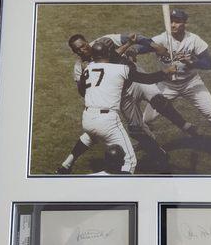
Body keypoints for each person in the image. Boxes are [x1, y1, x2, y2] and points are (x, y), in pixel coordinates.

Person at [56, 33, 196, 173]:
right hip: (118, 101)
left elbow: (114, 57)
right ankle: (156, 157)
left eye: (83, 46)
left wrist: (130, 45)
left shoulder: (88, 67)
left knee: (91, 136)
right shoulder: (113, 67)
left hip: (90, 115)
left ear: (88, 43)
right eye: (78, 49)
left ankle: (65, 166)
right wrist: (167, 71)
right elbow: (145, 77)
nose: (82, 50)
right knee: (131, 153)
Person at [142, 8, 211, 162]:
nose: (173, 25)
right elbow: (141, 47)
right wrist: (147, 47)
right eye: (171, 21)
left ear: (185, 23)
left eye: (177, 22)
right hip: (166, 86)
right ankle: (162, 143)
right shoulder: (161, 39)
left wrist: (193, 62)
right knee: (145, 120)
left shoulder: (194, 40)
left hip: (191, 84)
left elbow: (209, 64)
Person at [75, 41, 175, 174]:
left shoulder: (87, 69)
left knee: (119, 150)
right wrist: (166, 71)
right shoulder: (119, 69)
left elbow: (82, 91)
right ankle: (119, 184)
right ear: (108, 54)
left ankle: (158, 155)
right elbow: (147, 79)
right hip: (108, 120)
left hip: (87, 118)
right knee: (129, 160)